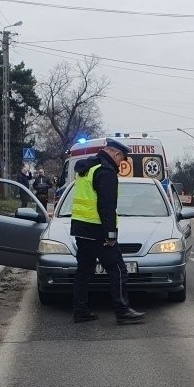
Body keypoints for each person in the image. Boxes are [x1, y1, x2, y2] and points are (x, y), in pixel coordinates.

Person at [70, 138, 145, 325]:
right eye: (122, 159)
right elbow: (107, 206)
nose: (121, 163)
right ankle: (122, 311)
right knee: (118, 269)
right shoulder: (106, 171)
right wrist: (111, 234)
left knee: (84, 271)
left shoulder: (87, 168)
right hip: (97, 231)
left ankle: (80, 311)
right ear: (115, 153)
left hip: (81, 228)